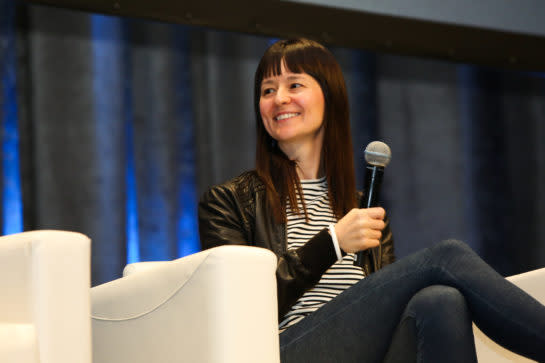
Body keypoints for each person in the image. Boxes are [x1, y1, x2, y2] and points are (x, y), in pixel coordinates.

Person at [198, 38, 545, 362]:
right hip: (282, 350)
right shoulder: (228, 201)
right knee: (446, 257)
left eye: (295, 85)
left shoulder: (361, 208)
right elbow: (240, 311)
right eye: (267, 90)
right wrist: (332, 243)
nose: (279, 99)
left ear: (330, 96)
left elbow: (378, 305)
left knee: (441, 301)